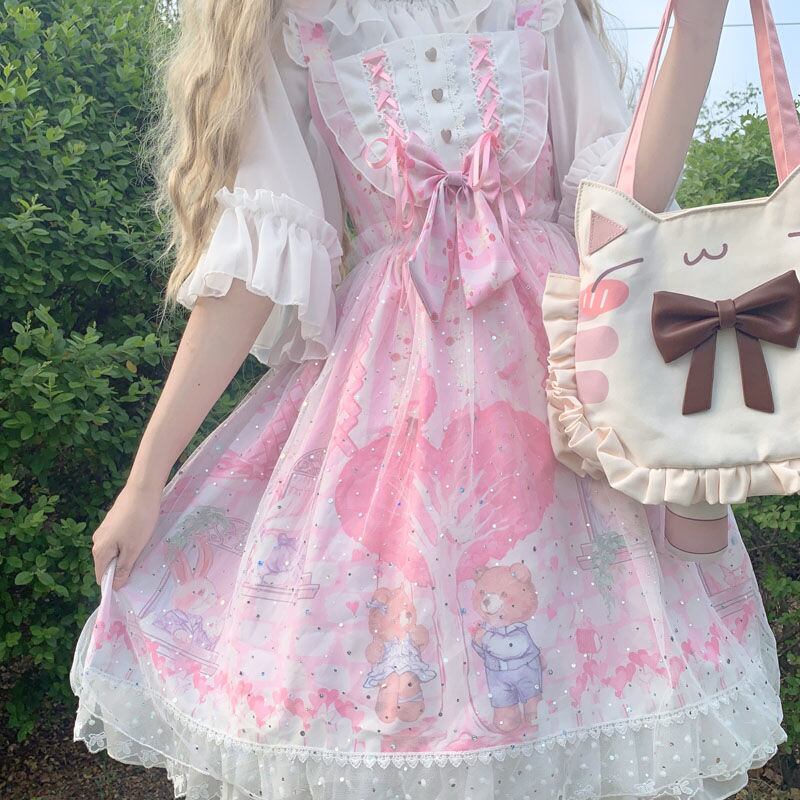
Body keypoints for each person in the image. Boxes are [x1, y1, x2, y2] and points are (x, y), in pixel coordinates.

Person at [71, 0, 787, 798]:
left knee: (575, 683)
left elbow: (623, 208)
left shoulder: (536, 8)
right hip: (384, 403)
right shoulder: (305, 23)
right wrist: (146, 480)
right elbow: (253, 274)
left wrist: (697, 31)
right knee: (385, 690)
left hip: (560, 395)